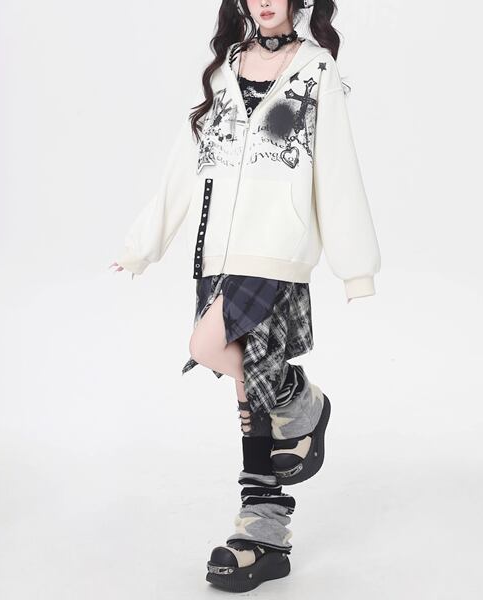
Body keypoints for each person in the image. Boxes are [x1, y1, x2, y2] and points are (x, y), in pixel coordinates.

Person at [110, 0, 381, 592]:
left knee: (207, 346)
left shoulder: (315, 69)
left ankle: (301, 406)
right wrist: (143, 245)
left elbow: (336, 169)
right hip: (218, 253)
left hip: (277, 249)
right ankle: (264, 533)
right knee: (247, 386)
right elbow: (185, 164)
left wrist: (355, 267)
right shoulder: (224, 70)